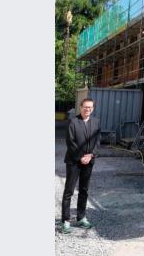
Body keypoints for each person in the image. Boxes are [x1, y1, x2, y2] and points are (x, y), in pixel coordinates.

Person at [60, 98, 101, 234]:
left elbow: (97, 141)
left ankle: (81, 217)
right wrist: (81, 157)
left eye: (90, 107)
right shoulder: (73, 121)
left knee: (84, 190)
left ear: (93, 109)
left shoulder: (95, 122)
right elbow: (70, 142)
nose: (87, 109)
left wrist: (91, 155)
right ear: (80, 107)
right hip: (74, 161)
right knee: (69, 191)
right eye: (85, 107)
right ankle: (65, 221)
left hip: (89, 161)